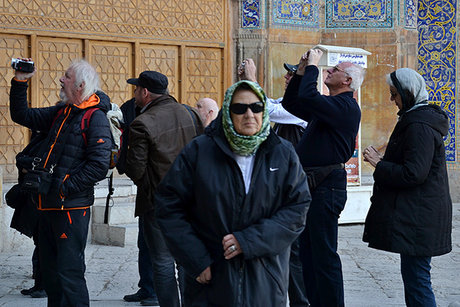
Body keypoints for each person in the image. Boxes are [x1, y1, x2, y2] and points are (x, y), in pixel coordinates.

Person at [154, 80, 311, 306]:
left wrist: (248, 240)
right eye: (240, 108)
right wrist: (194, 258)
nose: (249, 114)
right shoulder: (199, 151)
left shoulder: (282, 153)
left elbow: (298, 208)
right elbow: (169, 205)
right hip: (210, 279)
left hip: (264, 278)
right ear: (227, 111)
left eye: (256, 107)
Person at [9, 59, 113, 307]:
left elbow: (99, 165)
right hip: (46, 207)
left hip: (71, 209)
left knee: (69, 274)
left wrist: (64, 186)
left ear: (80, 85)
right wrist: (20, 81)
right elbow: (22, 115)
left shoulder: (95, 118)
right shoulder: (62, 112)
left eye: (66, 76)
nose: (61, 80)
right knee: (51, 274)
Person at [362, 68, 452, 307]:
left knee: (418, 279)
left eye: (394, 94)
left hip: (419, 218)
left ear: (408, 92)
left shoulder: (419, 126)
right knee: (414, 277)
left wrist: (379, 164)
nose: (392, 101)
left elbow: (414, 173)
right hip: (418, 215)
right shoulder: (416, 120)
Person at [282, 49, 365, 307]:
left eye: (334, 70)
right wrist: (299, 72)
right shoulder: (330, 108)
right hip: (311, 186)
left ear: (347, 81)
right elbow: (292, 103)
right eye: (327, 68)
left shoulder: (346, 107)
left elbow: (308, 95)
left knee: (324, 255)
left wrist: (313, 67)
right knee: (307, 253)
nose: (329, 71)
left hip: (326, 187)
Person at [125, 70, 203, 307]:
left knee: (162, 261)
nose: (135, 93)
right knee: (186, 259)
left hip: (159, 203)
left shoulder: (142, 123)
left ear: (146, 93)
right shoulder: (190, 113)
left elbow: (135, 169)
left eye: (137, 89)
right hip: (191, 201)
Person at [239, 58, 309, 306]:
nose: (287, 78)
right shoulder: (286, 103)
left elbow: (264, 109)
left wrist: (251, 80)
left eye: (293, 76)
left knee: (296, 254)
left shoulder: (302, 109)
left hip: (294, 189)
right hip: (278, 188)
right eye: (289, 75)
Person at [117, 97, 158, 306]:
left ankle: (156, 292)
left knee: (158, 247)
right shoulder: (131, 108)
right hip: (147, 190)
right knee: (145, 242)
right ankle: (148, 287)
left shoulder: (168, 115)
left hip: (162, 193)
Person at [238, 58, 307, 145]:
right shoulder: (284, 101)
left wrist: (252, 80)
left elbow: (268, 109)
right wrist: (246, 81)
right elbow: (260, 103)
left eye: (290, 74)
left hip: (292, 157)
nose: (285, 76)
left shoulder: (302, 105)